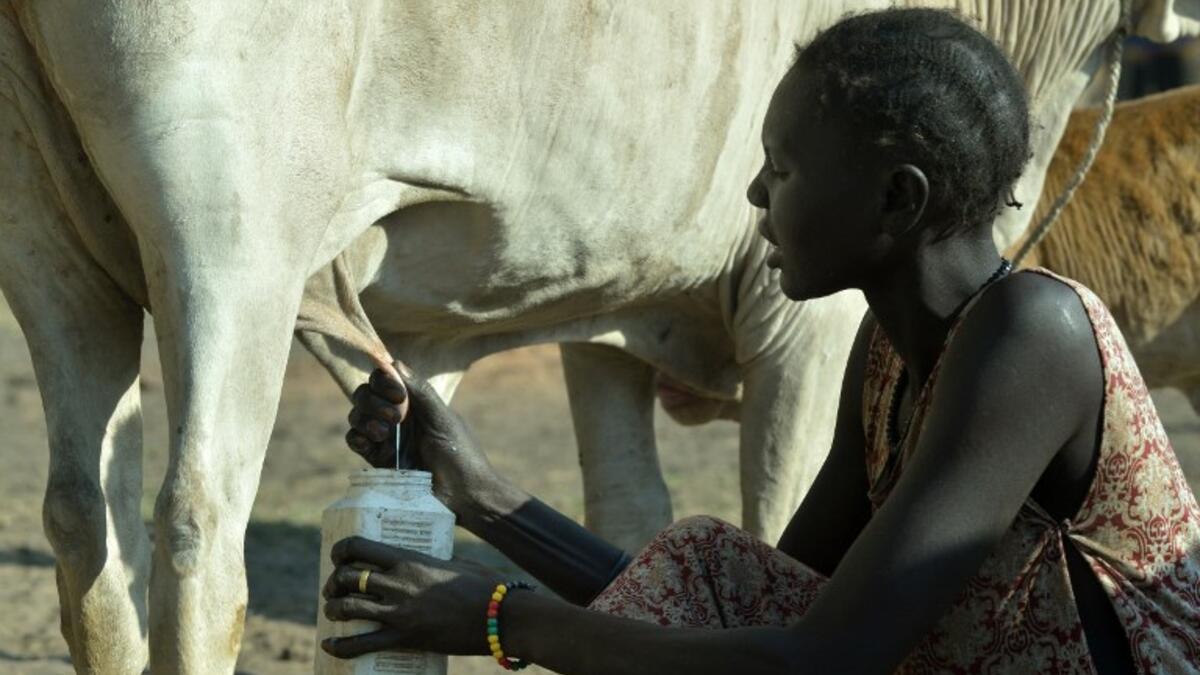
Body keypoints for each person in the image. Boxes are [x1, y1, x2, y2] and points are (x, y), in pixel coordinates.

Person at [323, 8, 1200, 673]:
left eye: (782, 170)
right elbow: (739, 616)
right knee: (710, 558)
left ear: (897, 199)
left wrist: (498, 618)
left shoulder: (1030, 336)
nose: (753, 194)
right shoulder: (892, 351)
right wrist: (481, 495)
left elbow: (822, 661)